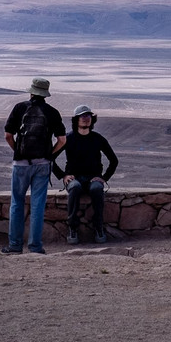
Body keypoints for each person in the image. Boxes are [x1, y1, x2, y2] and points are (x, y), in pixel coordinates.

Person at [2, 77, 66, 254]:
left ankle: (14, 246)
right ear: (45, 93)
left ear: (31, 91)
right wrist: (49, 154)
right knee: (38, 205)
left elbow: (8, 135)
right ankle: (35, 247)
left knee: (17, 203)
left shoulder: (20, 108)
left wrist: (18, 151)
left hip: (21, 164)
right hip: (43, 164)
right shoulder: (52, 112)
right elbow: (62, 140)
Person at [52, 104, 118, 245]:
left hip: (93, 177)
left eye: (88, 116)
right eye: (82, 116)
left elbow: (114, 160)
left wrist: (104, 178)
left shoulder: (98, 139)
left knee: (96, 189)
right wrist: (63, 176)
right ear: (76, 119)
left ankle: (98, 227)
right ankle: (73, 228)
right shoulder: (68, 139)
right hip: (74, 177)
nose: (85, 119)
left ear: (92, 119)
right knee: (74, 188)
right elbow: (50, 158)